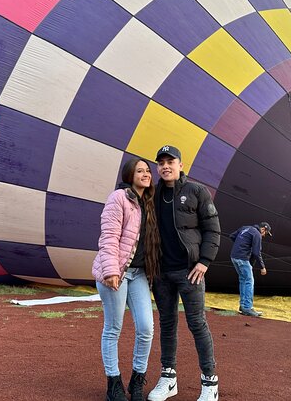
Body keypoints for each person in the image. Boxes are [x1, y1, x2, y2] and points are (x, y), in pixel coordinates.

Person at [147, 145, 221, 401]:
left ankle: (209, 383)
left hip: (190, 271)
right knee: (167, 325)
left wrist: (204, 262)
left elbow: (213, 228)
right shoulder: (153, 194)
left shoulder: (196, 191)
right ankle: (169, 379)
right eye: (161, 162)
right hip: (162, 273)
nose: (165, 166)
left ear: (180, 164)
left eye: (170, 161)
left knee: (197, 323)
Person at [92, 157, 161, 401]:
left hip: (139, 274)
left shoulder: (150, 203)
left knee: (146, 328)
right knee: (113, 328)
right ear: (129, 175)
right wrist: (111, 271)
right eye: (139, 170)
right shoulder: (118, 198)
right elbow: (108, 236)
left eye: (147, 171)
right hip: (117, 272)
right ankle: (113, 383)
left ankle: (137, 380)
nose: (145, 174)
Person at [229, 222, 271, 317]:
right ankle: (247, 307)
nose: (264, 236)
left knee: (243, 280)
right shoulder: (257, 234)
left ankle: (243, 306)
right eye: (265, 233)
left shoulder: (245, 228)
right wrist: (262, 267)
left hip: (234, 257)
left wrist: (240, 245)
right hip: (242, 259)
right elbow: (256, 253)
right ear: (263, 229)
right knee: (249, 281)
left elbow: (231, 236)